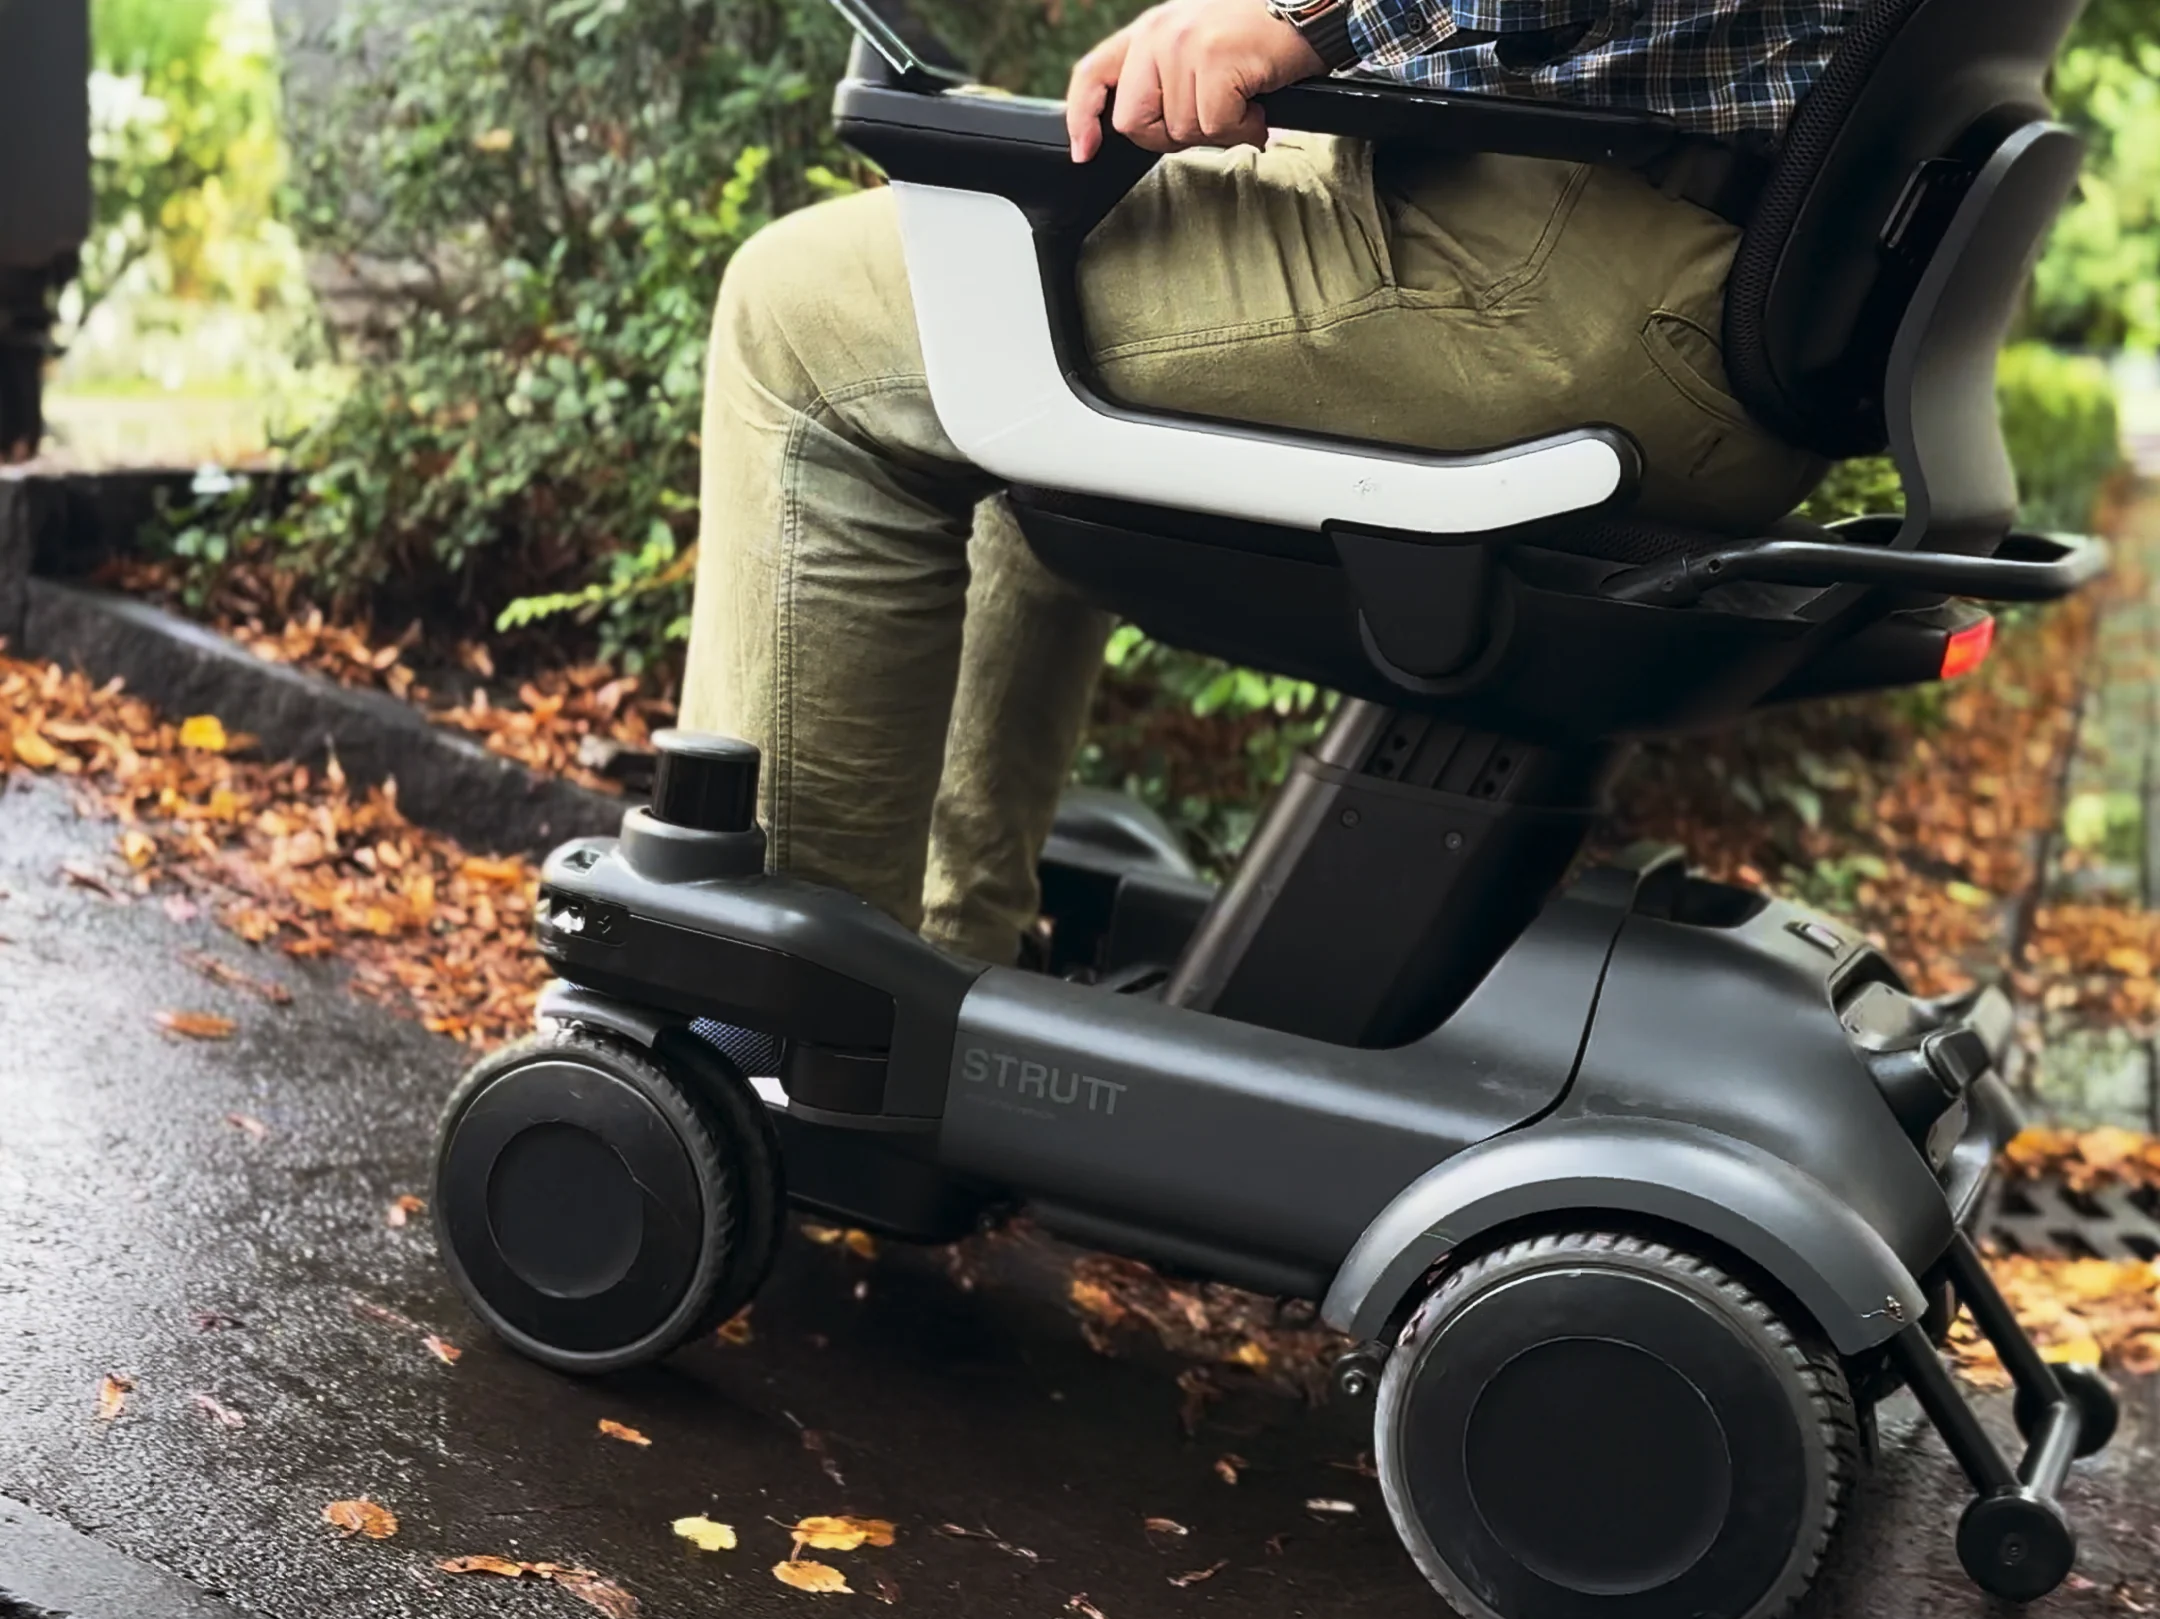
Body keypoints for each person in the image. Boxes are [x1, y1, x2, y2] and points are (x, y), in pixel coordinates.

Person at [680, 0, 1854, 966]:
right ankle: (936, 967)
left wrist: (1307, 18)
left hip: (1564, 271)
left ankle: (771, 1014)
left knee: (806, 323)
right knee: (992, 281)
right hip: (1708, 290)